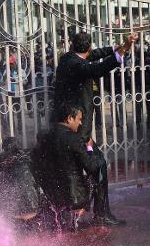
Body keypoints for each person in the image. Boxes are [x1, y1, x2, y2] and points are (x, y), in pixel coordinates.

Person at [53, 31, 138, 226]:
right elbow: (98, 68)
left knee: (89, 167)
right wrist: (122, 51)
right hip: (76, 130)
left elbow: (94, 54)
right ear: (87, 47)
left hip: (68, 128)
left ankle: (90, 210)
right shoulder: (77, 65)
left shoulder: (67, 58)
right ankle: (99, 213)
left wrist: (116, 48)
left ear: (73, 45)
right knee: (98, 165)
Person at [33, 104, 102, 231]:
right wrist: (90, 148)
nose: (80, 123)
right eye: (79, 119)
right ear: (69, 118)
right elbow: (91, 166)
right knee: (98, 171)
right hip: (74, 195)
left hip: (51, 192)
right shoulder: (74, 139)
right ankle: (81, 213)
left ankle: (62, 217)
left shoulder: (45, 136)